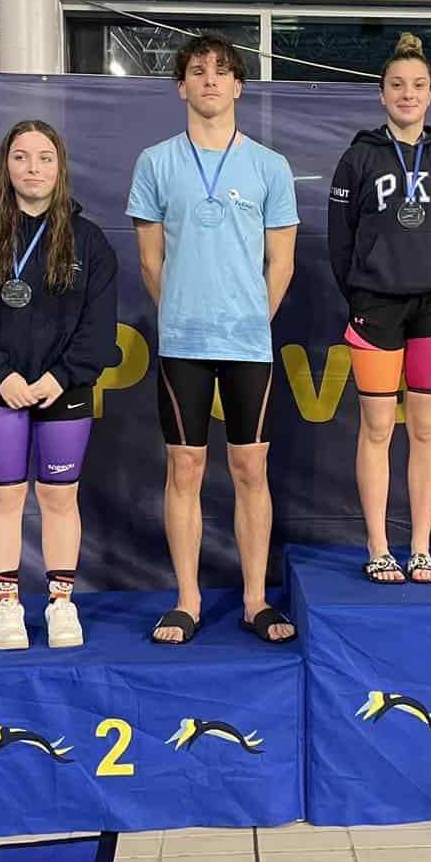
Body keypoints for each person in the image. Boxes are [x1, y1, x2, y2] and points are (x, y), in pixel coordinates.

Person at [127, 32, 300, 645]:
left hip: (249, 342)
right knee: (186, 466)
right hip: (183, 343)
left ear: (238, 86)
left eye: (222, 71)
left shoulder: (269, 166)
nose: (209, 80)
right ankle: (188, 599)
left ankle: (255, 600)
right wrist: (182, 314)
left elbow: (282, 261)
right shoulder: (155, 162)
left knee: (251, 466)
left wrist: (252, 317)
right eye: (197, 71)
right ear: (181, 86)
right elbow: (150, 261)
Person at [0, 119, 120, 651]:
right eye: (21, 157)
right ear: (6, 166)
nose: (33, 168)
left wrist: (60, 377)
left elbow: (99, 326)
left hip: (62, 389)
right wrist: (1, 376)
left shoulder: (89, 241)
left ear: (60, 167)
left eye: (45, 157)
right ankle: (7, 607)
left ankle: (61, 603)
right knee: (3, 496)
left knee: (59, 496)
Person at [328, 32, 431, 585]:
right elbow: (340, 240)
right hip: (377, 304)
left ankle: (421, 547)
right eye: (397, 85)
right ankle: (379, 545)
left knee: (427, 428)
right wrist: (364, 291)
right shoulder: (358, 158)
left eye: (418, 85)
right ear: (382, 94)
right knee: (379, 426)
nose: (407, 94)